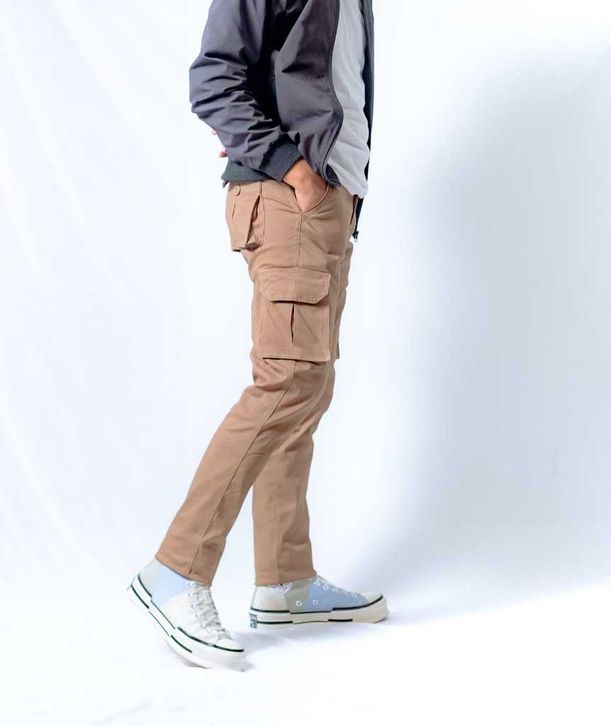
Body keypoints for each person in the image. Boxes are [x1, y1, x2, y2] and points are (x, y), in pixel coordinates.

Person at [127, 0, 387, 670]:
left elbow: (304, 81)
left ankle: (285, 580)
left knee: (308, 388)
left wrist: (332, 190)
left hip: (330, 201)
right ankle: (176, 570)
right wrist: (290, 167)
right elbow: (214, 76)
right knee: (287, 381)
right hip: (290, 196)